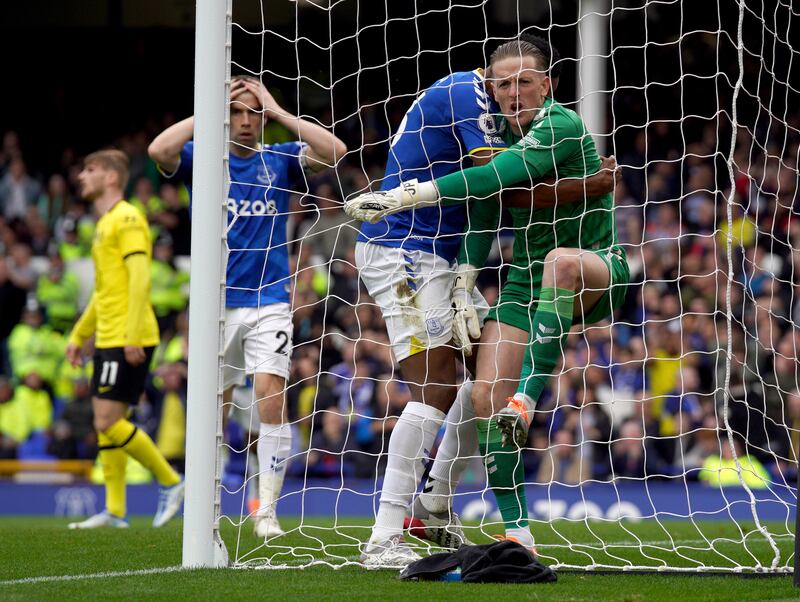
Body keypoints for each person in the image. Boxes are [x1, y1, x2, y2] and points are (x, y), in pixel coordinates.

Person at [346, 39, 629, 550]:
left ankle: (433, 505)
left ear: (548, 84)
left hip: (464, 255)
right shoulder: (468, 97)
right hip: (407, 245)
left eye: (525, 82)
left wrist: (465, 273)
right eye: (505, 83)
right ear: (488, 82)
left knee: (474, 382)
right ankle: (389, 533)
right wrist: (588, 186)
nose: (514, 93)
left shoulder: (545, 122)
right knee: (448, 388)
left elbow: (495, 185)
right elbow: (493, 185)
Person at [148, 75, 346, 538]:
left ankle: (267, 511)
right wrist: (211, 110)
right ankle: (208, 506)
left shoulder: (279, 161)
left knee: (270, 398)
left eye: (251, 113)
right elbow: (159, 151)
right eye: (236, 113)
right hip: (215, 306)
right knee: (212, 410)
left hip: (269, 300)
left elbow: (335, 151)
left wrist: (275, 110)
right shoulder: (203, 159)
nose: (244, 121)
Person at [65, 149, 185, 529]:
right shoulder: (104, 223)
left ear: (112, 177)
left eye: (90, 169)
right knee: (108, 422)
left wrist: (132, 334)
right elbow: (105, 291)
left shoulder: (129, 217)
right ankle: (115, 510)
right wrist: (79, 334)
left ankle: (171, 481)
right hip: (110, 334)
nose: (82, 176)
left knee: (107, 420)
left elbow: (140, 279)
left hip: (128, 335)